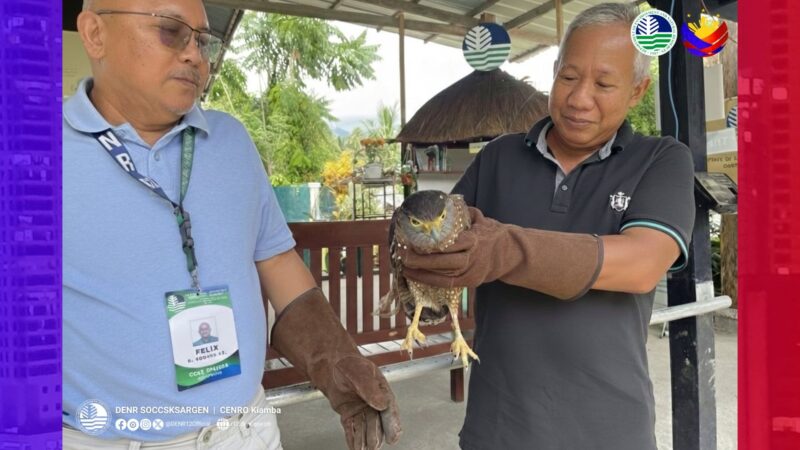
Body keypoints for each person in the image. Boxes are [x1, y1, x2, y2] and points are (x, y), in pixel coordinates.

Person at [63, 0, 401, 449]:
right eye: (171, 30)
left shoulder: (231, 141)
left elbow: (278, 260)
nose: (194, 55)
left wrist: (334, 359)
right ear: (94, 33)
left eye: (202, 40)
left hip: (247, 431)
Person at [400, 3, 695, 450]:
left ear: (638, 91)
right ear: (554, 71)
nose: (579, 98)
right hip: (498, 427)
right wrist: (421, 266)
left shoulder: (660, 160)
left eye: (603, 84)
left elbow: (641, 264)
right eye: (569, 77)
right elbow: (441, 238)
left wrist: (505, 250)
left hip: (610, 429)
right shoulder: (498, 158)